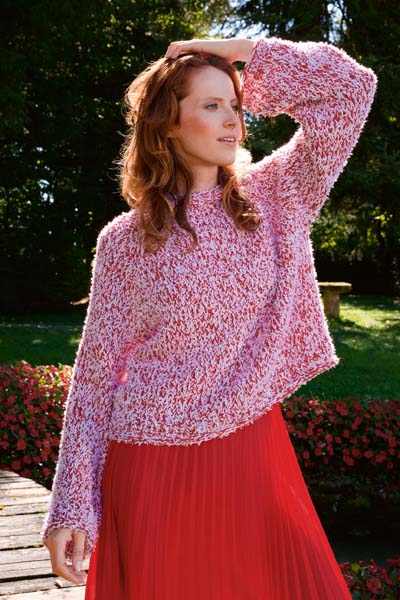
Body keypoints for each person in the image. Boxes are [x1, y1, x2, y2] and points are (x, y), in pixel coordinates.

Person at [42, 36, 377, 599]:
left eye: (236, 106)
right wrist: (71, 505)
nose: (232, 122)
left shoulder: (278, 195)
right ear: (169, 125)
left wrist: (236, 50)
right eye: (211, 105)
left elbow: (352, 89)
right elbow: (95, 380)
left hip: (251, 450)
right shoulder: (125, 241)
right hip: (148, 465)